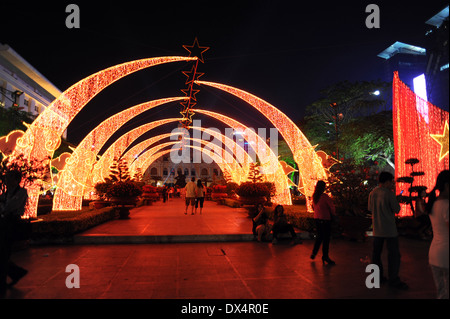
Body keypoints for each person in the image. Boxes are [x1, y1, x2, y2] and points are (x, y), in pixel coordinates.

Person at [368, 171, 407, 289]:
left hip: (377, 229)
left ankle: (377, 278)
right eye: (391, 182)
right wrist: (397, 200)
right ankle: (393, 279)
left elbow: (370, 209)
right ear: (387, 182)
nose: (392, 184)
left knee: (376, 254)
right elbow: (397, 209)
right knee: (394, 255)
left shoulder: (372, 193)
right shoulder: (389, 194)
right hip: (389, 229)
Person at [0, 170, 29, 294]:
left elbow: (9, 207)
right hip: (3, 224)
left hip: (11, 225)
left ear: (17, 180)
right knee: (2, 253)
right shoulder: (5, 194)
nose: (6, 180)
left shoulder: (21, 192)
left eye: (9, 178)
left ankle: (11, 276)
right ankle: (16, 272)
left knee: (3, 253)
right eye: (6, 178)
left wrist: (4, 207)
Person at [425, 170, 449, 299]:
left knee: (441, 293)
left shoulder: (433, 204)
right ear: (447, 186)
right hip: (446, 255)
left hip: (435, 255)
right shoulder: (447, 206)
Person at [310, 180, 336, 265]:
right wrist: (333, 215)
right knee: (326, 239)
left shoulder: (315, 196)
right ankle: (325, 256)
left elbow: (314, 207)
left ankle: (314, 253)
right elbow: (332, 207)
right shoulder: (324, 197)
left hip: (317, 219)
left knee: (319, 236)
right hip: (325, 219)